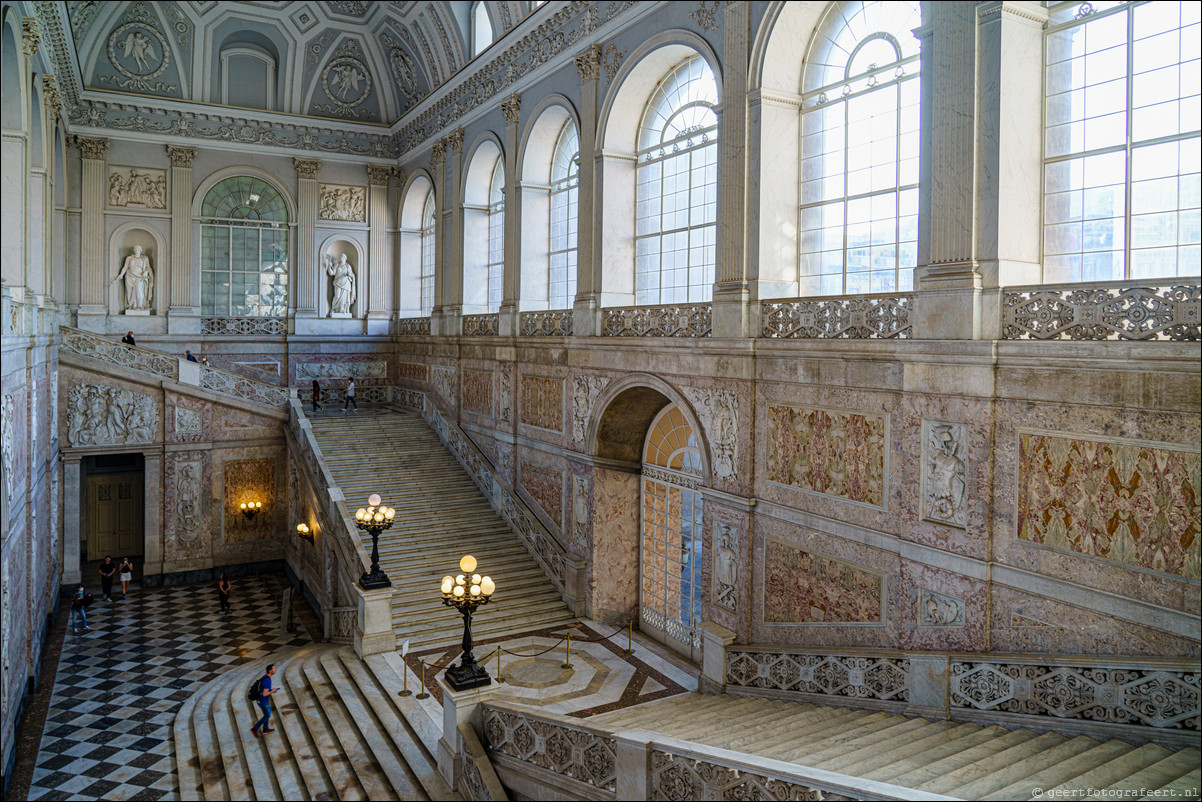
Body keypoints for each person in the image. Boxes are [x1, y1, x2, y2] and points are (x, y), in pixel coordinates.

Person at [111, 245, 153, 311]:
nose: (137, 250)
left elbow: (148, 267)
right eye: (135, 249)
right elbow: (125, 267)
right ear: (134, 250)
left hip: (140, 277)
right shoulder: (129, 258)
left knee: (139, 291)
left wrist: (146, 272)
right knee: (129, 292)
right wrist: (121, 275)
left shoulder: (145, 258)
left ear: (140, 250)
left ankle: (140, 305)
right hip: (129, 276)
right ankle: (132, 305)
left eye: (138, 249)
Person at [251, 664, 278, 737]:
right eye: (274, 668)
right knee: (267, 715)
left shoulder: (265, 677)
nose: (275, 669)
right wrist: (273, 691)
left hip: (262, 700)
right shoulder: (267, 681)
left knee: (267, 714)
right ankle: (254, 729)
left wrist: (271, 690)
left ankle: (265, 729)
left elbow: (264, 690)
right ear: (270, 671)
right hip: (263, 701)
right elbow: (264, 694)